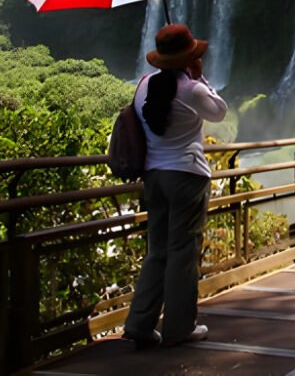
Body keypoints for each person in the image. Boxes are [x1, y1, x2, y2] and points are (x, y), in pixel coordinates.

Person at [124, 24, 227, 349]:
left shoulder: (143, 85)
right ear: (189, 57)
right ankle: (180, 327)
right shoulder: (191, 89)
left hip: (153, 178)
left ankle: (140, 324)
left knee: (157, 252)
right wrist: (200, 77)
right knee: (183, 253)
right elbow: (220, 112)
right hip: (186, 177)